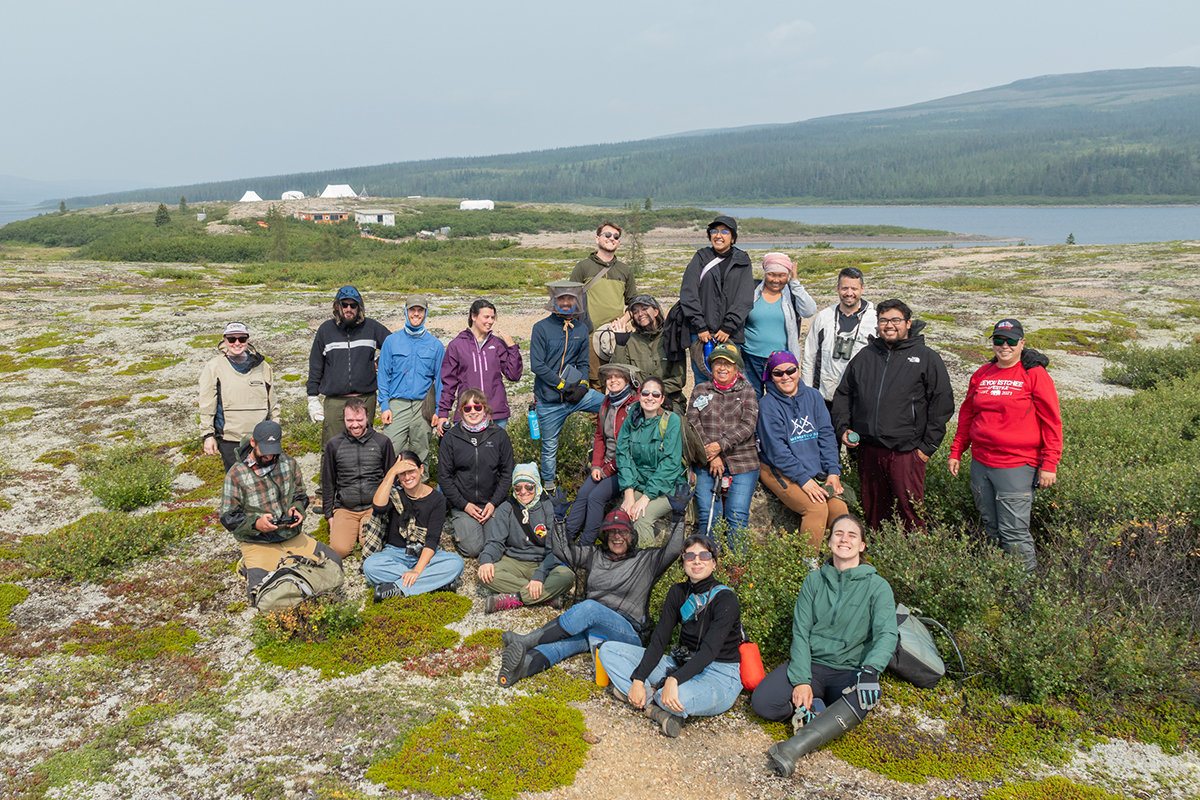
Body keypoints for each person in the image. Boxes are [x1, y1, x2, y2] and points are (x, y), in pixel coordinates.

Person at [750, 514, 898, 778]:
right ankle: (818, 711)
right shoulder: (814, 581)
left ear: (862, 546)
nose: (845, 539)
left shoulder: (878, 586)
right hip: (813, 666)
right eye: (838, 534)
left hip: (850, 670)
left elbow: (886, 633)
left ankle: (792, 749)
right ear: (829, 543)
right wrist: (802, 680)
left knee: (865, 699)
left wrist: (871, 670)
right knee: (763, 703)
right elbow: (801, 631)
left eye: (852, 535)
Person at [497, 509, 685, 688]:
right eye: (611, 533)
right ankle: (521, 669)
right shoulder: (595, 555)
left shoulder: (646, 560)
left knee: (590, 608)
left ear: (631, 535)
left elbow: (673, 550)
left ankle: (526, 641)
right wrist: (559, 521)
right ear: (605, 537)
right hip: (593, 630)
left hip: (627, 635)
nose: (617, 537)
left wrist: (679, 515)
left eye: (622, 532)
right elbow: (562, 551)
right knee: (561, 646)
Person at [599, 534, 743, 738]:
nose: (697, 560)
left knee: (677, 696)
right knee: (608, 650)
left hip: (718, 674)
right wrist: (639, 679)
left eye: (704, 555)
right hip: (681, 663)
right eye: (690, 556)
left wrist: (673, 680)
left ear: (714, 563)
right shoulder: (677, 592)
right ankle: (653, 707)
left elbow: (709, 651)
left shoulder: (726, 599)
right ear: (683, 562)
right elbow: (660, 639)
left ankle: (641, 697)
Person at [948, 319, 1063, 572]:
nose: (1004, 346)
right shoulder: (981, 373)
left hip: (1017, 465)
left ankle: (1024, 592)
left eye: (1011, 341)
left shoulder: (1034, 374)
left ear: (1022, 343)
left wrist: (1050, 464)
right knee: (990, 526)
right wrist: (957, 450)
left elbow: (1052, 421)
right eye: (999, 340)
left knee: (1014, 532)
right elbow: (967, 414)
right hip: (981, 464)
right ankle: (997, 583)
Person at [831, 299, 954, 531]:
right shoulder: (865, 357)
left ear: (908, 323)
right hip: (868, 450)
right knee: (874, 511)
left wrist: (927, 448)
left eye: (896, 320)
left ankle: (916, 562)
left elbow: (943, 404)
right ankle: (880, 560)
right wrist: (843, 428)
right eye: (884, 320)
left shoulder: (926, 358)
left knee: (910, 513)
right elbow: (843, 396)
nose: (889, 325)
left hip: (907, 453)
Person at [220, 420, 341, 598]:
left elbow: (300, 494)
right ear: (253, 443)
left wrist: (297, 508)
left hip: (290, 535)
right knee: (262, 593)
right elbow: (228, 517)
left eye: (273, 451)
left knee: (335, 563)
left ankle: (286, 564)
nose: (269, 457)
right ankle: (247, 565)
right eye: (265, 452)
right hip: (258, 541)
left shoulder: (288, 463)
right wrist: (256, 524)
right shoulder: (236, 474)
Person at [757, 351, 848, 549]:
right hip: (777, 469)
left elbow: (826, 434)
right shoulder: (767, 405)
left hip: (813, 467)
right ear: (770, 377)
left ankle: (846, 561)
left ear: (798, 370)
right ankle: (809, 566)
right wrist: (804, 480)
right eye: (778, 373)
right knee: (816, 509)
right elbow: (777, 451)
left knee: (840, 510)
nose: (785, 376)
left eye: (791, 370)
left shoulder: (814, 396)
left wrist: (833, 471)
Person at [530, 281, 605, 491]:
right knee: (549, 447)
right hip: (549, 400)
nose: (565, 303)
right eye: (561, 299)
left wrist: (582, 385)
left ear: (576, 301)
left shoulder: (581, 328)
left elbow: (583, 362)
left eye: (569, 299)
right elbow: (537, 365)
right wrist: (562, 385)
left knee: (609, 405)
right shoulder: (541, 328)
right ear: (554, 301)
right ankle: (549, 486)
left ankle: (601, 454)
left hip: (577, 394)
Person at [362, 450, 465, 601]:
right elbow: (378, 507)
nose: (407, 477)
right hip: (395, 554)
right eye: (401, 473)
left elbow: (432, 539)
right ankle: (435, 584)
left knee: (456, 563)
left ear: (421, 469)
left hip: (424, 554)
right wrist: (391, 473)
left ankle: (395, 588)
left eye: (411, 471)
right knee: (370, 566)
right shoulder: (394, 494)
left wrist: (417, 570)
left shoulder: (437, 499)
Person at [306, 284, 390, 464]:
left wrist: (378, 364)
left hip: (365, 398)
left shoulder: (373, 327)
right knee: (332, 447)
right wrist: (312, 398)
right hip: (335, 401)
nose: (349, 309)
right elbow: (315, 365)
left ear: (359, 307)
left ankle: (365, 486)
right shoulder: (325, 330)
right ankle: (326, 491)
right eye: (345, 305)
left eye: (353, 305)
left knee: (364, 445)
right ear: (337, 306)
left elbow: (393, 347)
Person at [686, 344, 760, 549]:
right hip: (705, 462)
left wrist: (720, 445)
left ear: (737, 368)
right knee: (708, 516)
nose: (722, 367)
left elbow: (748, 425)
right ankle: (709, 564)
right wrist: (712, 455)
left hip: (743, 462)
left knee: (737, 515)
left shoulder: (747, 391)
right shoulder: (701, 390)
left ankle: (738, 569)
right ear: (711, 367)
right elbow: (692, 422)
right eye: (718, 362)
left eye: (728, 363)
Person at [477, 463, 575, 613]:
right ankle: (546, 596)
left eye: (529, 487)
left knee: (567, 576)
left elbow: (555, 550)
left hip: (543, 562)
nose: (523, 492)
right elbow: (495, 542)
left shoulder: (549, 507)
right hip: (514, 561)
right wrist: (486, 560)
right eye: (517, 487)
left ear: (536, 484)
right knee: (485, 575)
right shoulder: (506, 508)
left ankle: (513, 599)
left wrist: (540, 574)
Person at [566, 362, 639, 544]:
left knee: (596, 497)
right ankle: (566, 537)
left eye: (618, 377)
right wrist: (596, 465)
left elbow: (630, 447)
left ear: (628, 380)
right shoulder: (607, 402)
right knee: (583, 493)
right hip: (606, 463)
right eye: (609, 377)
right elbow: (600, 436)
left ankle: (585, 544)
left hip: (625, 467)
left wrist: (607, 469)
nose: (612, 380)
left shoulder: (635, 405)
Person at [437, 389, 515, 558]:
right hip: (463, 505)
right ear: (461, 411)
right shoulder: (450, 438)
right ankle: (463, 526)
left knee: (496, 545)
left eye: (478, 407)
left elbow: (507, 473)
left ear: (485, 409)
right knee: (473, 549)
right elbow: (444, 477)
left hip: (492, 503)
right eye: (468, 408)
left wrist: (494, 503)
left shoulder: (499, 435)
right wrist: (464, 505)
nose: (473, 412)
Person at [678, 215, 754, 385]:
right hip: (700, 334)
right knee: (703, 379)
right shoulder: (701, 257)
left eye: (724, 231)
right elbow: (688, 293)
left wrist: (729, 326)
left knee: (731, 379)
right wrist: (700, 325)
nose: (718, 235)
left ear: (733, 237)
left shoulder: (742, 260)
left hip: (731, 333)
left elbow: (745, 297)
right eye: (714, 231)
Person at [198, 322, 280, 472]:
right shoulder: (214, 366)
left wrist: (275, 429)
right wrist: (207, 435)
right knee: (238, 485)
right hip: (230, 440)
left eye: (242, 339)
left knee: (265, 485)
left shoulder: (263, 366)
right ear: (225, 340)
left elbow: (272, 402)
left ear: (247, 340)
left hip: (262, 439)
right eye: (232, 339)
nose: (237, 343)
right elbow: (207, 403)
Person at [321, 398, 397, 558]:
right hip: (345, 508)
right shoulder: (333, 444)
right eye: (350, 420)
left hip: (373, 507)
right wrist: (329, 515)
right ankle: (348, 531)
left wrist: (389, 510)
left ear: (367, 417)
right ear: (344, 419)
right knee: (339, 551)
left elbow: (392, 478)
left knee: (369, 547)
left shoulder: (382, 442)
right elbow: (328, 481)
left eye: (359, 420)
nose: (355, 425)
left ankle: (362, 534)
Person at [617, 376, 684, 547]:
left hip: (667, 487)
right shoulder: (632, 417)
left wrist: (645, 497)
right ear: (639, 395)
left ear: (662, 399)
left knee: (640, 520)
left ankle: (646, 566)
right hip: (639, 483)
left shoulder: (671, 421)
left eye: (656, 394)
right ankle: (621, 564)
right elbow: (623, 454)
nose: (650, 398)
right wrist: (629, 493)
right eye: (646, 393)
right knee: (618, 518)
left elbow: (670, 464)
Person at [437, 298, 523, 431]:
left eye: (493, 317)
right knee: (467, 452)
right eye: (486, 317)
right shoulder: (456, 345)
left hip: (496, 415)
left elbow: (514, 375)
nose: (490, 321)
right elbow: (449, 383)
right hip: (468, 413)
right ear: (474, 316)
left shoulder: (498, 344)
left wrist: (512, 347)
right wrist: (443, 413)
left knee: (496, 452)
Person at [378, 295, 445, 464]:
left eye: (420, 310)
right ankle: (393, 488)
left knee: (421, 452)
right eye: (412, 310)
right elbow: (383, 376)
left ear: (426, 313)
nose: (416, 314)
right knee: (391, 450)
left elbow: (441, 381)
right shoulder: (391, 341)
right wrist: (385, 405)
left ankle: (421, 487)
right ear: (406, 312)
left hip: (423, 406)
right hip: (397, 405)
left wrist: (438, 410)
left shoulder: (436, 345)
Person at [570, 221, 637, 385]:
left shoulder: (625, 270)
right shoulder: (583, 267)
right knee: (596, 382)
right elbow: (570, 300)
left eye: (616, 236)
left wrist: (622, 321)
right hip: (590, 336)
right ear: (597, 239)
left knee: (620, 380)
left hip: (617, 337)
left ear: (619, 242)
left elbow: (634, 304)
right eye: (607, 235)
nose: (611, 238)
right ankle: (597, 412)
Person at [802, 267, 876, 413]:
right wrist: (807, 393)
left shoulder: (874, 320)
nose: (849, 293)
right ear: (837, 288)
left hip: (860, 398)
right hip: (825, 396)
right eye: (844, 288)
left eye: (854, 288)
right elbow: (809, 358)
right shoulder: (823, 317)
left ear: (862, 288)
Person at [742, 254, 817, 397]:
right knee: (751, 397)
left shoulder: (791, 294)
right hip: (750, 356)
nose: (776, 280)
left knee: (779, 397)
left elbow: (809, 310)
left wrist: (795, 283)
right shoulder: (752, 291)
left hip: (780, 359)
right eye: (771, 274)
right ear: (765, 272)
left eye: (782, 275)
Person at [606, 294, 687, 410]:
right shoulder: (630, 340)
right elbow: (618, 373)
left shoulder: (671, 338)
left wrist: (657, 394)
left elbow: (679, 379)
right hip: (638, 401)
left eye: (644, 309)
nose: (640, 314)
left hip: (670, 399)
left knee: (671, 422)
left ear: (656, 311)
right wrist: (620, 343)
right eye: (635, 312)